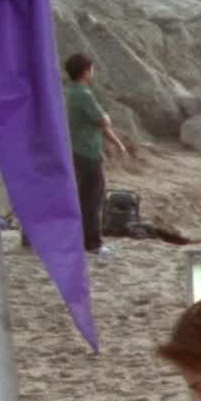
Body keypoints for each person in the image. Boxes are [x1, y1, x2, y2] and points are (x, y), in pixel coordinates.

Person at [63, 53, 126, 257]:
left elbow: (100, 125)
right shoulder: (84, 94)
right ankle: (93, 244)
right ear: (85, 71)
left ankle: (82, 240)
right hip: (88, 152)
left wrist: (117, 143)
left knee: (85, 198)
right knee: (93, 199)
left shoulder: (70, 92)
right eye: (91, 69)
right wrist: (107, 119)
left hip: (77, 150)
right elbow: (103, 121)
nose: (93, 72)